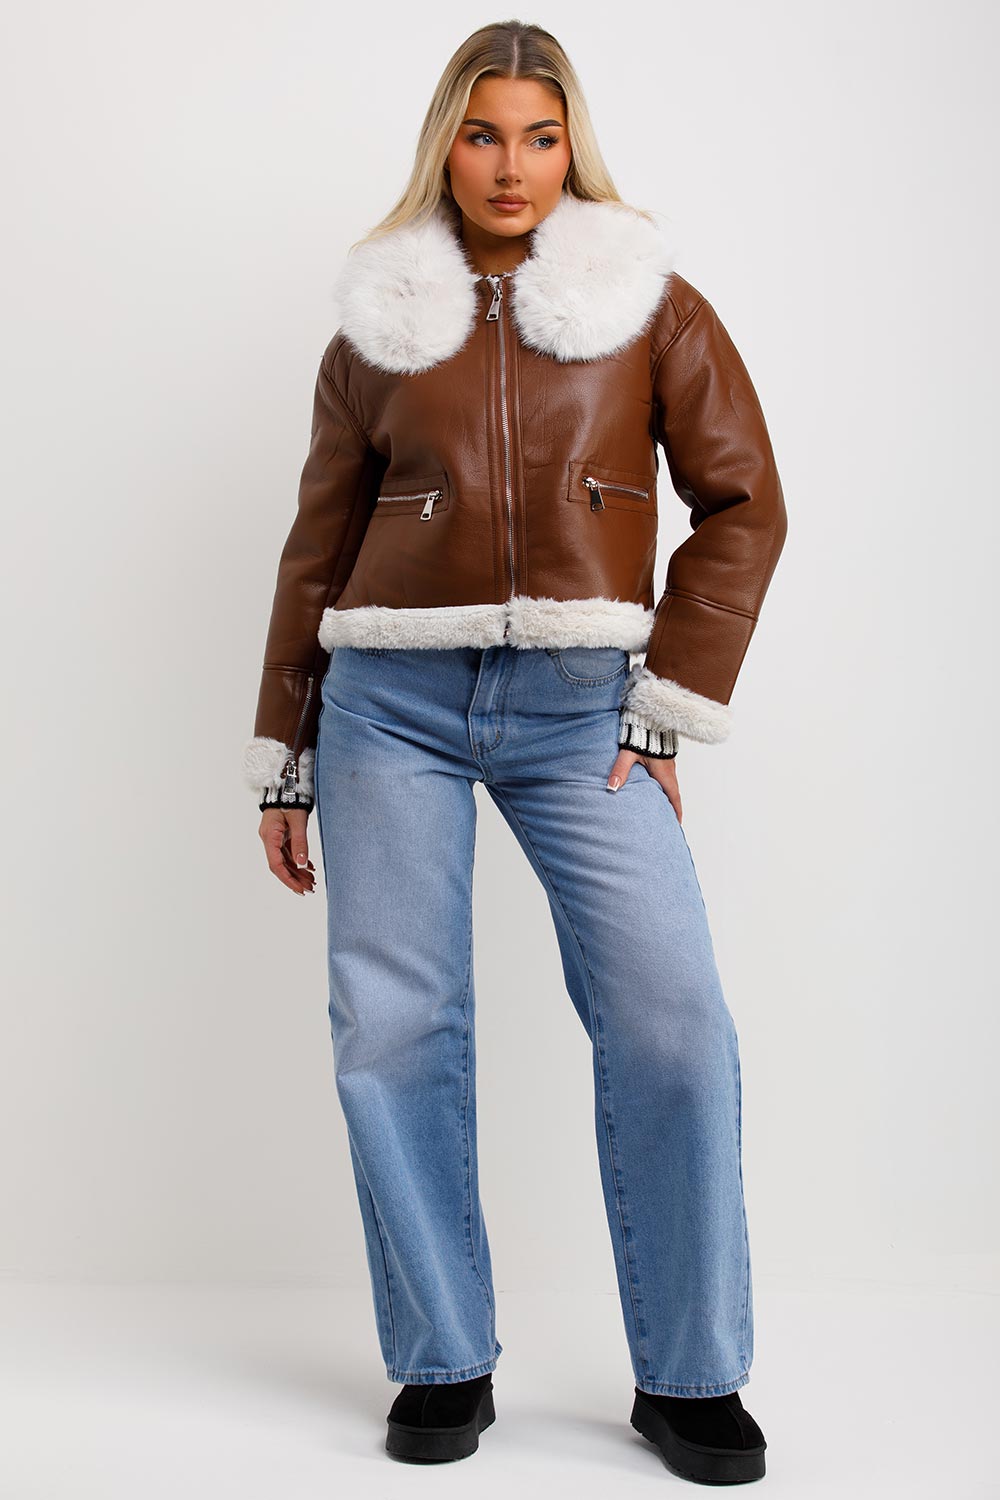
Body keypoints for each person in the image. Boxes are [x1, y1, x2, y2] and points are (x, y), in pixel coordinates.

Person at [242, 19, 787, 1485]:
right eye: (483, 135)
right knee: (394, 1026)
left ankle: (690, 1374)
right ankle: (442, 1358)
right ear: (447, 145)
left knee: (673, 1019)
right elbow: (318, 543)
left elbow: (745, 503)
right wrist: (288, 748)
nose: (511, 166)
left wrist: (668, 701)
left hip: (579, 707)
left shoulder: (647, 304)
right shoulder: (380, 319)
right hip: (389, 704)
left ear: (571, 147)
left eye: (540, 137)